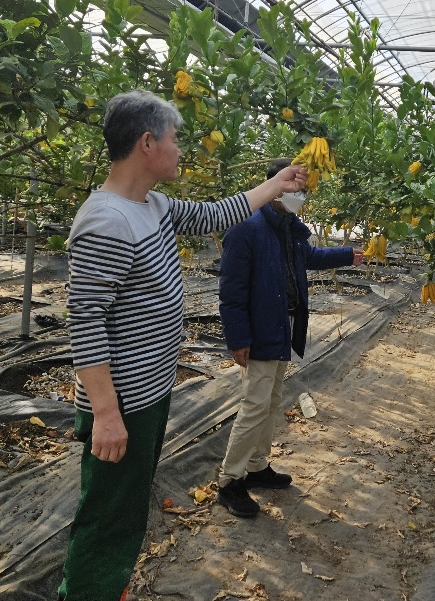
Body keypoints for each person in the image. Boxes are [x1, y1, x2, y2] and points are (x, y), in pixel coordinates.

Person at [59, 91, 307, 601]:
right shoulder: (107, 220)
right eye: (174, 139)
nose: (180, 150)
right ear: (147, 143)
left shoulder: (152, 205)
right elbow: (85, 322)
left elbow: (214, 213)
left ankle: (109, 588)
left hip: (147, 392)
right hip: (124, 401)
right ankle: (86, 592)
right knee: (109, 513)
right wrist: (106, 413)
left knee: (126, 507)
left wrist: (277, 184)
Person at [216, 158, 364, 517]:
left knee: (271, 401)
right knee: (254, 405)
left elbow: (309, 256)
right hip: (259, 332)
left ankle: (256, 466)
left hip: (282, 327)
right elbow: (231, 292)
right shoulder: (246, 229)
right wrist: (238, 338)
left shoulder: (288, 228)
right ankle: (230, 480)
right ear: (275, 188)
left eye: (304, 191)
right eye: (295, 189)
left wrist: (348, 254)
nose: (301, 196)